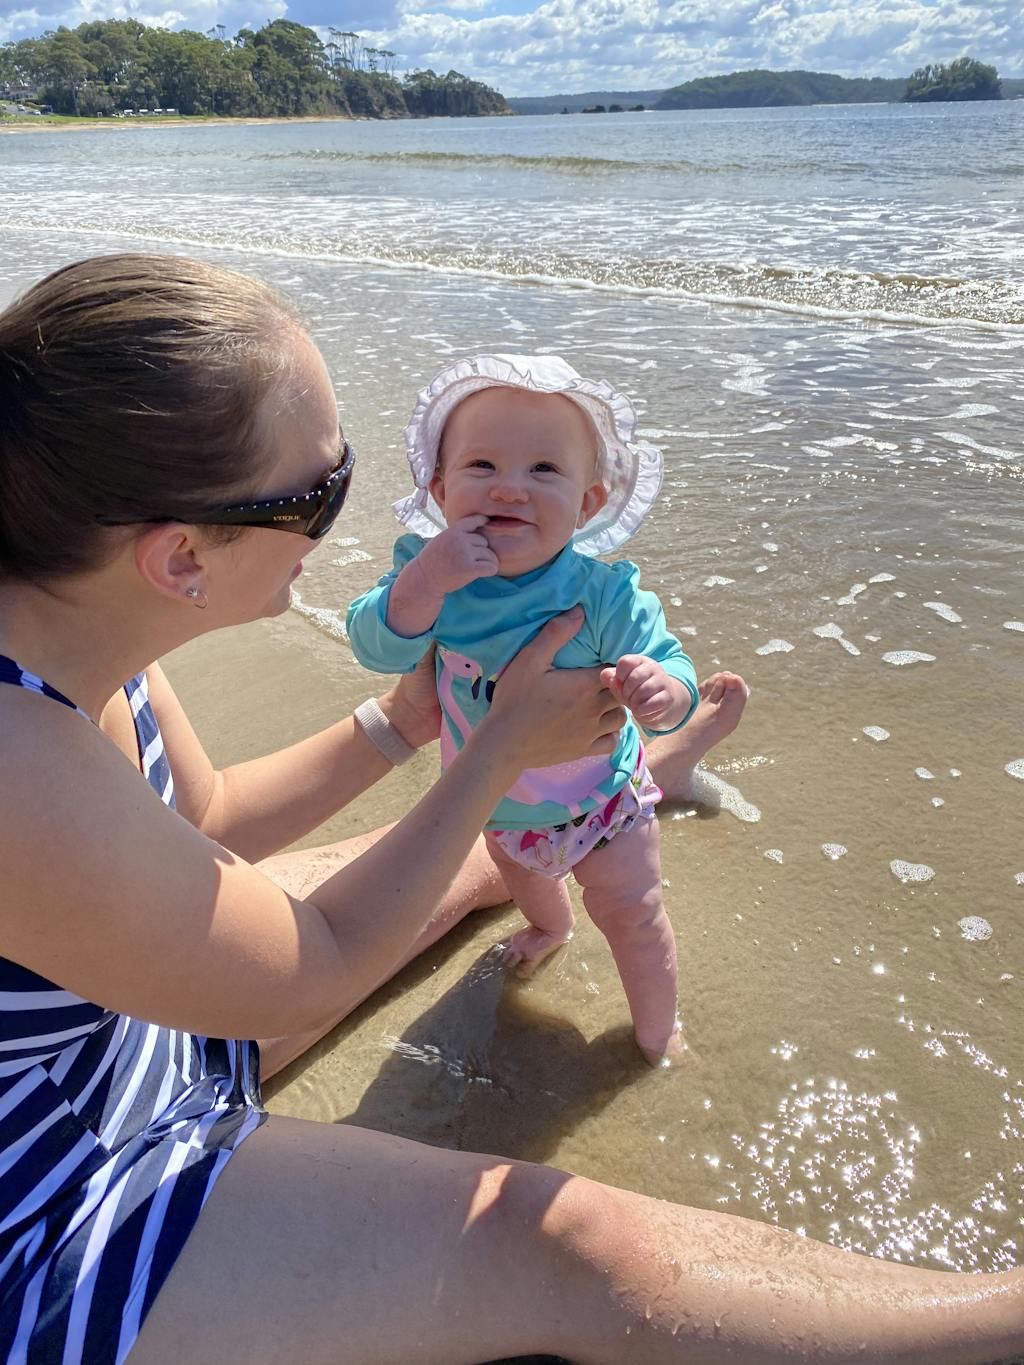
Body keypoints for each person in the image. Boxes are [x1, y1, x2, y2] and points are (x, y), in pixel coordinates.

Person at [0, 253, 1019, 1365]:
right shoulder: (17, 770)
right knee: (570, 1245)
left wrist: (409, 721)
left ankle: (646, 771)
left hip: (117, 1025)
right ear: (180, 555)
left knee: (485, 853)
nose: (347, 520)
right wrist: (497, 752)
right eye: (321, 493)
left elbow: (205, 817)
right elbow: (313, 966)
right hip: (53, 1190)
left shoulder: (69, 614)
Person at [347, 355, 697, 1064]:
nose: (510, 486)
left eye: (544, 469)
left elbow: (671, 662)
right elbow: (375, 646)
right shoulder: (430, 574)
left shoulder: (602, 594)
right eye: (482, 465)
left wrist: (664, 690)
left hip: (604, 801)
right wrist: (425, 581)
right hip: (497, 806)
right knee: (526, 882)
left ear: (588, 504)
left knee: (632, 914)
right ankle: (550, 928)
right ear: (440, 489)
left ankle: (659, 1032)